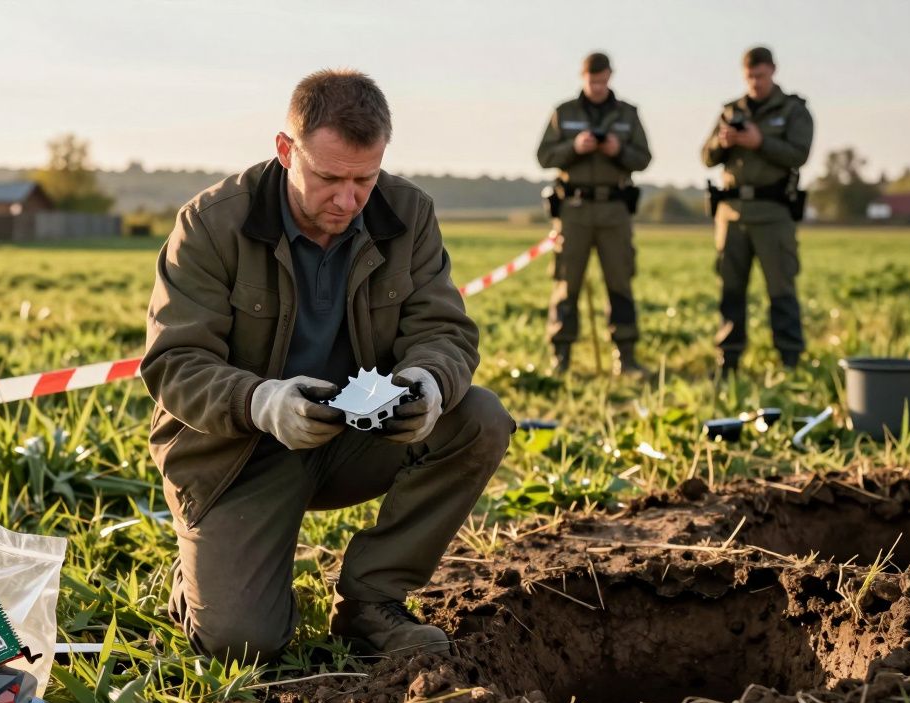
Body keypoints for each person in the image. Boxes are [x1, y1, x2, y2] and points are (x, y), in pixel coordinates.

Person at [141, 69, 514, 663]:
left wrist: (429, 384)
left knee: (480, 418)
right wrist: (261, 403)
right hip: (239, 454)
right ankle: (202, 585)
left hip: (356, 437)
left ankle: (372, 602)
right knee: (244, 643)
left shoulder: (407, 214)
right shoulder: (209, 225)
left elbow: (444, 330)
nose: (347, 200)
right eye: (329, 177)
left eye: (364, 179)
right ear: (286, 150)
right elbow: (174, 365)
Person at [536, 52, 653, 376]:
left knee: (620, 283)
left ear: (610, 77)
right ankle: (561, 358)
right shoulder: (564, 112)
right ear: (582, 77)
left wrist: (619, 151)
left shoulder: (627, 114)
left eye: (602, 80)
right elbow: (544, 156)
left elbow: (643, 159)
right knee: (566, 284)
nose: (597, 86)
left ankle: (626, 357)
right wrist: (575, 148)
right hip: (573, 209)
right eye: (592, 80)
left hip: (615, 209)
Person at [702, 46, 814, 374]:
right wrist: (723, 143)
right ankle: (729, 360)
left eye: (761, 76)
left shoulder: (793, 110)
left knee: (781, 289)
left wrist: (760, 142)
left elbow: (799, 153)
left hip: (773, 213)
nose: (755, 83)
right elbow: (705, 157)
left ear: (773, 71)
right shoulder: (730, 110)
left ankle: (790, 360)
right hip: (732, 214)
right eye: (750, 77)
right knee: (731, 289)